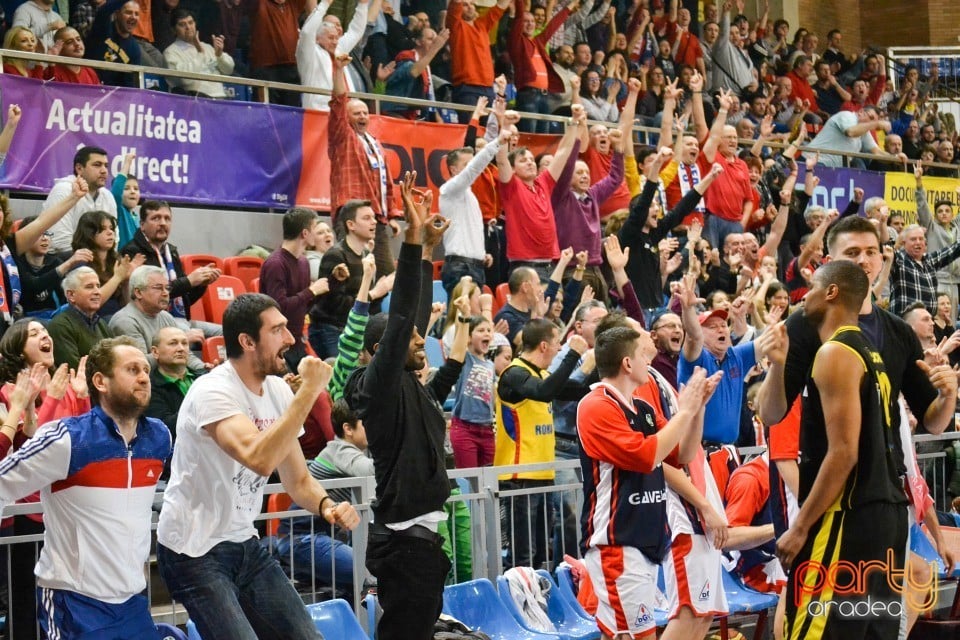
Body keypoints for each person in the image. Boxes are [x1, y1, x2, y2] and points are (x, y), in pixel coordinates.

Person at [156, 293, 359, 639]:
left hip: (243, 542)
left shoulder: (278, 390)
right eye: (278, 330)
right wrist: (308, 392)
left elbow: (297, 479)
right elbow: (260, 458)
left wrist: (326, 506)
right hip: (193, 549)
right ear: (247, 341)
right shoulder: (212, 391)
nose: (291, 339)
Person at [342, 173, 460, 640]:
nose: (420, 340)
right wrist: (411, 241)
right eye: (409, 337)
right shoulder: (379, 385)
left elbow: (414, 314)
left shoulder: (410, 382)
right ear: (378, 350)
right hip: (406, 547)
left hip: (421, 544)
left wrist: (427, 250)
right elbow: (405, 313)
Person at [0, 336, 170, 640]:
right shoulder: (66, 438)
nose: (144, 376)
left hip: (132, 600)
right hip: (74, 601)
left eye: (145, 369)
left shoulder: (159, 437)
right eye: (132, 369)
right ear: (100, 382)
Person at [776, 260, 909, 640]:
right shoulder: (872, 351)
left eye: (814, 287)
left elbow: (844, 452)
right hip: (885, 518)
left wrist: (800, 526)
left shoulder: (834, 352)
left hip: (847, 517)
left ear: (832, 292)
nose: (806, 295)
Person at [577, 325, 714, 640]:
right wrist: (686, 411)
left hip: (644, 542)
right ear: (627, 363)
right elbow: (646, 456)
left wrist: (697, 411)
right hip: (616, 544)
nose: (648, 363)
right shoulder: (595, 406)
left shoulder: (644, 408)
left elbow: (683, 453)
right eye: (643, 355)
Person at [495, 318, 591, 567]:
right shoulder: (514, 373)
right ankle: (516, 603)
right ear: (544, 346)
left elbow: (575, 389)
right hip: (519, 477)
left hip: (542, 474)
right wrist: (573, 354)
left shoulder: (542, 374)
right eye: (558, 343)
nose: (560, 348)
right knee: (522, 555)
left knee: (540, 555)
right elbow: (544, 392)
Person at [328, 54, 401, 279]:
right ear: (347, 118)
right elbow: (339, 103)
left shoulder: (375, 143)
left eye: (365, 113)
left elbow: (386, 183)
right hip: (350, 214)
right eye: (356, 113)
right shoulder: (343, 137)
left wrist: (392, 215)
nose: (362, 116)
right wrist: (339, 70)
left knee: (387, 275)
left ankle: (381, 315)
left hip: (375, 218)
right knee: (355, 276)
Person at [121, 200, 221, 332]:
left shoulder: (171, 252)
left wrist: (201, 284)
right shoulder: (133, 252)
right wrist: (189, 281)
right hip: (153, 321)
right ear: (142, 225)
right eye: (156, 218)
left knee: (227, 332)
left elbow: (185, 300)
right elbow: (152, 294)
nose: (163, 223)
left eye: (167, 218)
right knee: (186, 333)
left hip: (181, 319)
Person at [261, 207, 333, 370]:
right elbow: (279, 307)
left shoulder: (303, 262)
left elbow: (304, 306)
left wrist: (332, 282)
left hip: (297, 342)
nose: (320, 234)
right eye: (316, 229)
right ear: (305, 233)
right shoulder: (276, 263)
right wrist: (311, 291)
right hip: (277, 345)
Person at [439, 129, 506, 298]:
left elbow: (469, 229)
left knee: (472, 321)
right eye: (466, 164)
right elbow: (473, 170)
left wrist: (480, 253)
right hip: (460, 267)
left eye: (473, 161)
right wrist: (496, 143)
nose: (473, 167)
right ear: (454, 170)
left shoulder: (469, 195)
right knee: (461, 320)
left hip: (473, 266)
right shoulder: (449, 190)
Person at [109, 265, 208, 374]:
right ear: (138, 292)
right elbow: (140, 365)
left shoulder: (166, 317)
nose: (166, 293)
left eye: (167, 288)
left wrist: (204, 369)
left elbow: (186, 355)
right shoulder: (125, 321)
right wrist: (176, 344)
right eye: (158, 288)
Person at [43, 146, 118, 256]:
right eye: (97, 165)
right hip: (65, 259)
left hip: (98, 261)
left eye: (106, 166)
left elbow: (115, 238)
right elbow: (59, 241)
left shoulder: (107, 196)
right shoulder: (64, 190)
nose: (104, 171)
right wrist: (87, 262)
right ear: (79, 168)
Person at [297, 0, 370, 111]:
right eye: (331, 38)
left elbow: (356, 31)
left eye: (336, 38)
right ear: (317, 38)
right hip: (319, 112)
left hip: (345, 113)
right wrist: (325, 4)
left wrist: (363, 5)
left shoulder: (338, 49)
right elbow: (307, 32)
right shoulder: (310, 54)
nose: (335, 42)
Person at [145, 326, 197, 459]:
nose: (181, 348)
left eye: (184, 343)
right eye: (173, 343)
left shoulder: (204, 378)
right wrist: (202, 406)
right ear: (155, 352)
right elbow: (165, 429)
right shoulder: (149, 387)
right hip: (178, 458)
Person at [48, 267, 115, 369]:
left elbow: (116, 359)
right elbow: (74, 369)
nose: (97, 292)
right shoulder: (60, 326)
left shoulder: (101, 323)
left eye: (98, 286)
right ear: (71, 295)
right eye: (89, 287)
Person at [446, 0, 510, 106]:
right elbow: (455, 3)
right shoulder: (455, 26)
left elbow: (501, 6)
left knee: (484, 124)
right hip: (466, 87)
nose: (470, 7)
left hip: (488, 88)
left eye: (472, 4)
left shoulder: (482, 25)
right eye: (465, 5)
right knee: (469, 123)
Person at [890, 224, 960, 317]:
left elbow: (953, 250)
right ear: (904, 242)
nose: (918, 242)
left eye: (921, 239)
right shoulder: (899, 259)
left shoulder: (929, 261)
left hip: (928, 322)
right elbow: (885, 249)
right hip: (904, 324)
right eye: (913, 239)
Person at [163, 9, 235, 98]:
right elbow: (183, 80)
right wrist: (200, 54)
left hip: (220, 100)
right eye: (182, 24)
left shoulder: (207, 47)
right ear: (173, 30)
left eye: (190, 22)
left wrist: (220, 55)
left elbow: (229, 70)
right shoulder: (171, 52)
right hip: (194, 102)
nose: (188, 27)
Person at [85, 0, 144, 86]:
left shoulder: (134, 48)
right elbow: (104, 11)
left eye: (136, 14)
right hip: (89, 86)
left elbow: (129, 82)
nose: (133, 17)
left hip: (111, 94)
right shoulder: (103, 28)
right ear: (117, 14)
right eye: (128, 12)